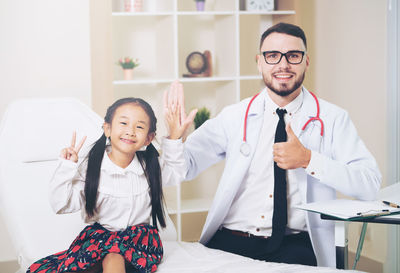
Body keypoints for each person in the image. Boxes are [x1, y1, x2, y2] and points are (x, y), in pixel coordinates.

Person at [164, 22, 381, 267]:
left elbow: (369, 185)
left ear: (306, 61)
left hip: (295, 243)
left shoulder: (333, 119)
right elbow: (180, 170)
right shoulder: (235, 115)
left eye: (293, 55)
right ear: (259, 62)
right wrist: (174, 139)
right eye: (272, 56)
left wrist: (309, 160)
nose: (283, 64)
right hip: (232, 239)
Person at [27, 97, 189, 273]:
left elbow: (177, 173)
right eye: (124, 123)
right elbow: (60, 205)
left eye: (139, 127)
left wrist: (174, 137)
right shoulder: (93, 168)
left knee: (113, 256)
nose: (130, 131)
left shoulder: (151, 166)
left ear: (149, 138)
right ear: (108, 129)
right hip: (100, 240)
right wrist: (67, 167)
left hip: (139, 242)